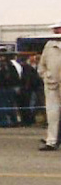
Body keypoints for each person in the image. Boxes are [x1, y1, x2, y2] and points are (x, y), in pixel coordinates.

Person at [38, 21, 61, 152]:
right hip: (52, 85)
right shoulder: (49, 45)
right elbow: (42, 64)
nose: (57, 32)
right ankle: (51, 140)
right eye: (55, 30)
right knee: (52, 114)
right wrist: (46, 76)